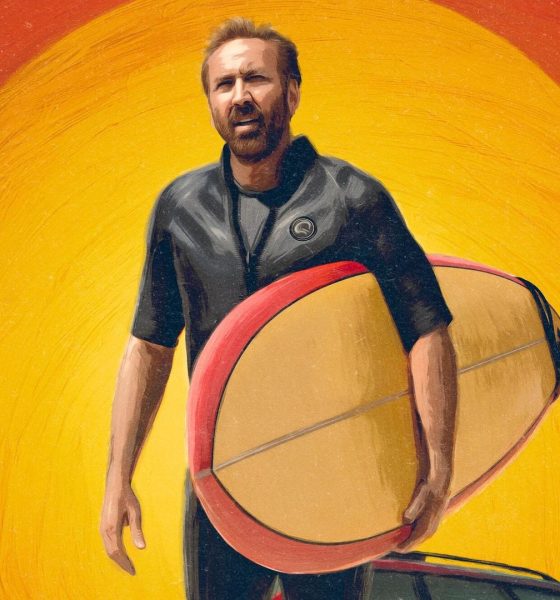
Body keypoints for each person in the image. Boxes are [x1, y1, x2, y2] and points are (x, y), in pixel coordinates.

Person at [100, 17, 458, 599]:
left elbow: (426, 331)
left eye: (256, 79)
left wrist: (438, 470)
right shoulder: (180, 207)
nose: (240, 96)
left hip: (334, 484)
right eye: (224, 84)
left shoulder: (353, 198)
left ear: (292, 93)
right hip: (219, 487)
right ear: (210, 103)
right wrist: (118, 478)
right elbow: (149, 346)